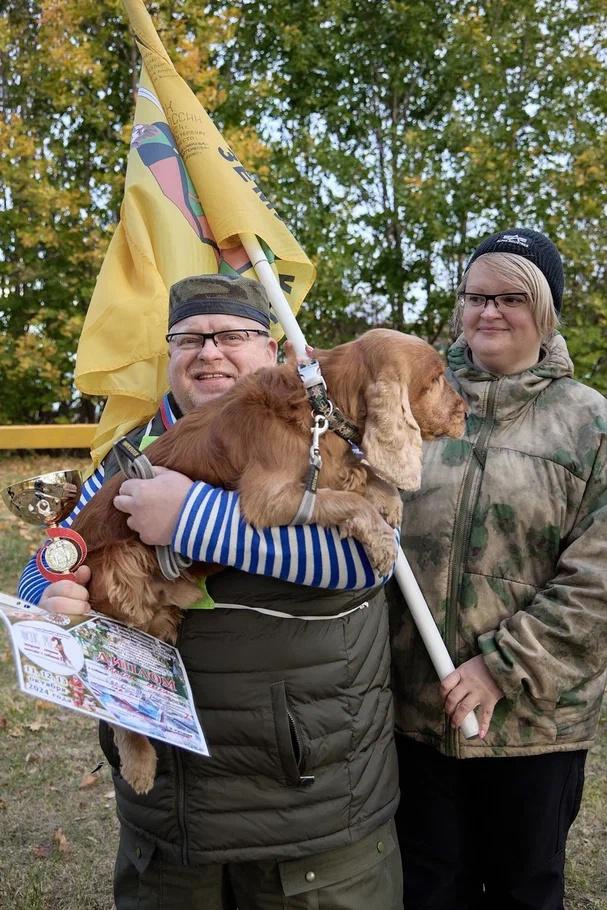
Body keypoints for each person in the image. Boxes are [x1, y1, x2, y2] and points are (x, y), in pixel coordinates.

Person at [18, 274, 403, 910]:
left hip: (305, 801)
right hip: (174, 808)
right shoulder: (131, 451)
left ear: (275, 349)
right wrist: (50, 591)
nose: (209, 351)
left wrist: (188, 517)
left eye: (232, 335)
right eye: (189, 338)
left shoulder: (330, 432)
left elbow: (365, 561)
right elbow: (56, 551)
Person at [387, 228, 607, 909]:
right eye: (475, 296)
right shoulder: (409, 401)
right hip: (413, 714)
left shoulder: (588, 424)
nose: (488, 312)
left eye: (510, 297)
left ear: (544, 309)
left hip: (532, 723)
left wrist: (498, 668)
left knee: (522, 891)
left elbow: (596, 585)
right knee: (426, 888)